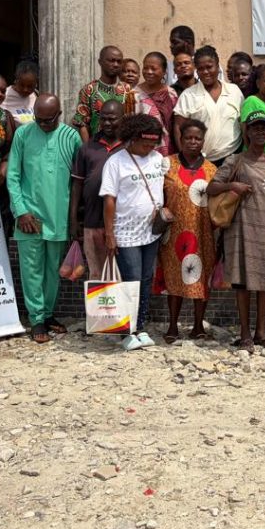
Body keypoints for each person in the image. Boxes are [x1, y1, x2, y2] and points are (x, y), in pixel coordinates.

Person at [207, 110, 265, 353]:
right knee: (242, 283)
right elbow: (211, 188)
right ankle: (244, 334)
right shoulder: (235, 161)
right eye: (255, 128)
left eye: (264, 128)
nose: (260, 132)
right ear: (247, 132)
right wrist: (231, 185)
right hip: (240, 231)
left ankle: (261, 333)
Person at [7, 94, 82, 344]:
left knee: (53, 270)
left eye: (48, 121)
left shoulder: (71, 137)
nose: (42, 125)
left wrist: (75, 219)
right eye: (38, 120)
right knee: (31, 270)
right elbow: (13, 176)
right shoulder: (23, 134)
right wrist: (21, 211)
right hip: (30, 216)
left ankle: (49, 314)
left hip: (58, 217)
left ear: (59, 115)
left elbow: (78, 180)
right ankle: (36, 318)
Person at [100, 114, 172, 351]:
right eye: (145, 143)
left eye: (153, 143)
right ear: (131, 139)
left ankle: (140, 326)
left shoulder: (158, 159)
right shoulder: (116, 162)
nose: (150, 147)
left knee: (146, 279)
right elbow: (109, 199)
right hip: (125, 231)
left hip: (151, 231)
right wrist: (110, 234)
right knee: (131, 279)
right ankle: (126, 330)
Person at [155, 119, 217, 342]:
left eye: (197, 138)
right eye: (188, 137)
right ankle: (172, 326)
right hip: (173, 234)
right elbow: (156, 194)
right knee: (174, 279)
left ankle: (198, 325)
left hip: (203, 233)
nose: (192, 141)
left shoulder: (211, 170)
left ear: (203, 141)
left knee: (200, 280)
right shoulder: (166, 164)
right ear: (180, 139)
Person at [69, 101, 124, 278]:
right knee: (97, 277)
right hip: (92, 223)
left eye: (112, 119)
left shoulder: (130, 148)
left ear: (123, 119)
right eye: (104, 119)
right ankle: (100, 308)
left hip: (123, 226)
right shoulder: (86, 148)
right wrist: (74, 219)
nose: (107, 123)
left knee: (123, 278)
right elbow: (77, 186)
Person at [173, 46, 243, 165]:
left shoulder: (234, 91)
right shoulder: (188, 95)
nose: (205, 72)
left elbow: (243, 123)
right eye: (200, 69)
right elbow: (178, 128)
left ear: (217, 65)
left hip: (233, 157)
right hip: (200, 162)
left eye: (209, 67)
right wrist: (185, 160)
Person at [72, 45, 136, 142]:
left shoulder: (128, 90)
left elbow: (132, 121)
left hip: (122, 147)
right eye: (111, 60)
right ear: (100, 62)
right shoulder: (89, 90)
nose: (115, 64)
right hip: (97, 147)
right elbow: (82, 123)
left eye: (119, 61)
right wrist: (87, 149)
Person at [0, 72, 18, 238]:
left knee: (1, 228)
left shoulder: (5, 117)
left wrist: (2, 172)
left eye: (2, 91)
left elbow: (10, 150)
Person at [135, 51, 178, 156]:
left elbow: (176, 125)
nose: (149, 72)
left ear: (164, 72)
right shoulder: (134, 95)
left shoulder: (171, 94)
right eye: (145, 68)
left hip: (169, 152)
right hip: (142, 152)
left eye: (153, 69)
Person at [2, 59, 39, 125]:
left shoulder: (37, 96)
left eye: (30, 86)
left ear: (36, 83)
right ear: (16, 79)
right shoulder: (3, 96)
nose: (25, 89)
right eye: (21, 85)